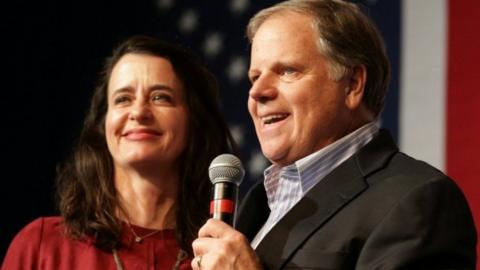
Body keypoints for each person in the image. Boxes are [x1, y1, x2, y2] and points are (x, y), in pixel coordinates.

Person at [191, 0, 477, 269]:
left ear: (352, 84)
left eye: (288, 71)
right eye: (255, 77)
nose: (257, 92)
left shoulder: (417, 200)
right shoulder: (258, 204)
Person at [2, 35, 236, 270]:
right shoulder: (42, 246)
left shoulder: (223, 255)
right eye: (123, 99)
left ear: (193, 120)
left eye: (160, 97)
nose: (139, 112)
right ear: (103, 125)